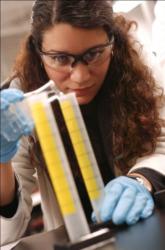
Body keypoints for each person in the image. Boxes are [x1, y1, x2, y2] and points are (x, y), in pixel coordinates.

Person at [0, 0, 165, 246]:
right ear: (38, 50)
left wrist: (141, 179)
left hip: (145, 231)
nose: (80, 76)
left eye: (94, 54)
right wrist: (2, 157)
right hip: (76, 240)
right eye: (59, 58)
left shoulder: (136, 65)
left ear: (112, 42)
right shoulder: (22, 97)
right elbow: (8, 233)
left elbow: (162, 140)